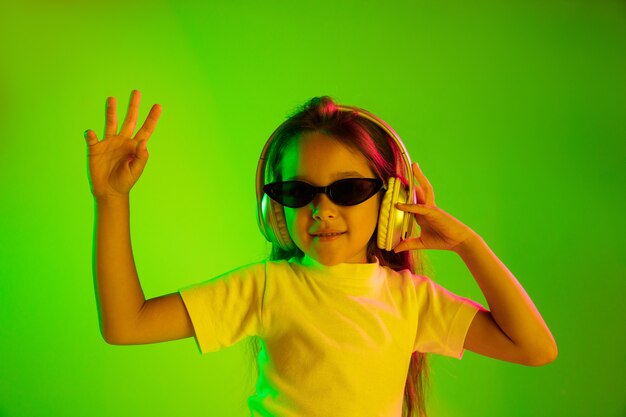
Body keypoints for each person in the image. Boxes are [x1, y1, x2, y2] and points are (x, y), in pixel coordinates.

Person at [84, 89, 558, 417]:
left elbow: (534, 347)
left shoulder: (412, 301)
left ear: (392, 202)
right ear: (274, 210)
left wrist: (467, 245)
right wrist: (112, 199)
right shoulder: (266, 287)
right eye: (298, 191)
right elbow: (127, 324)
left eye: (348, 189)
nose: (322, 210)